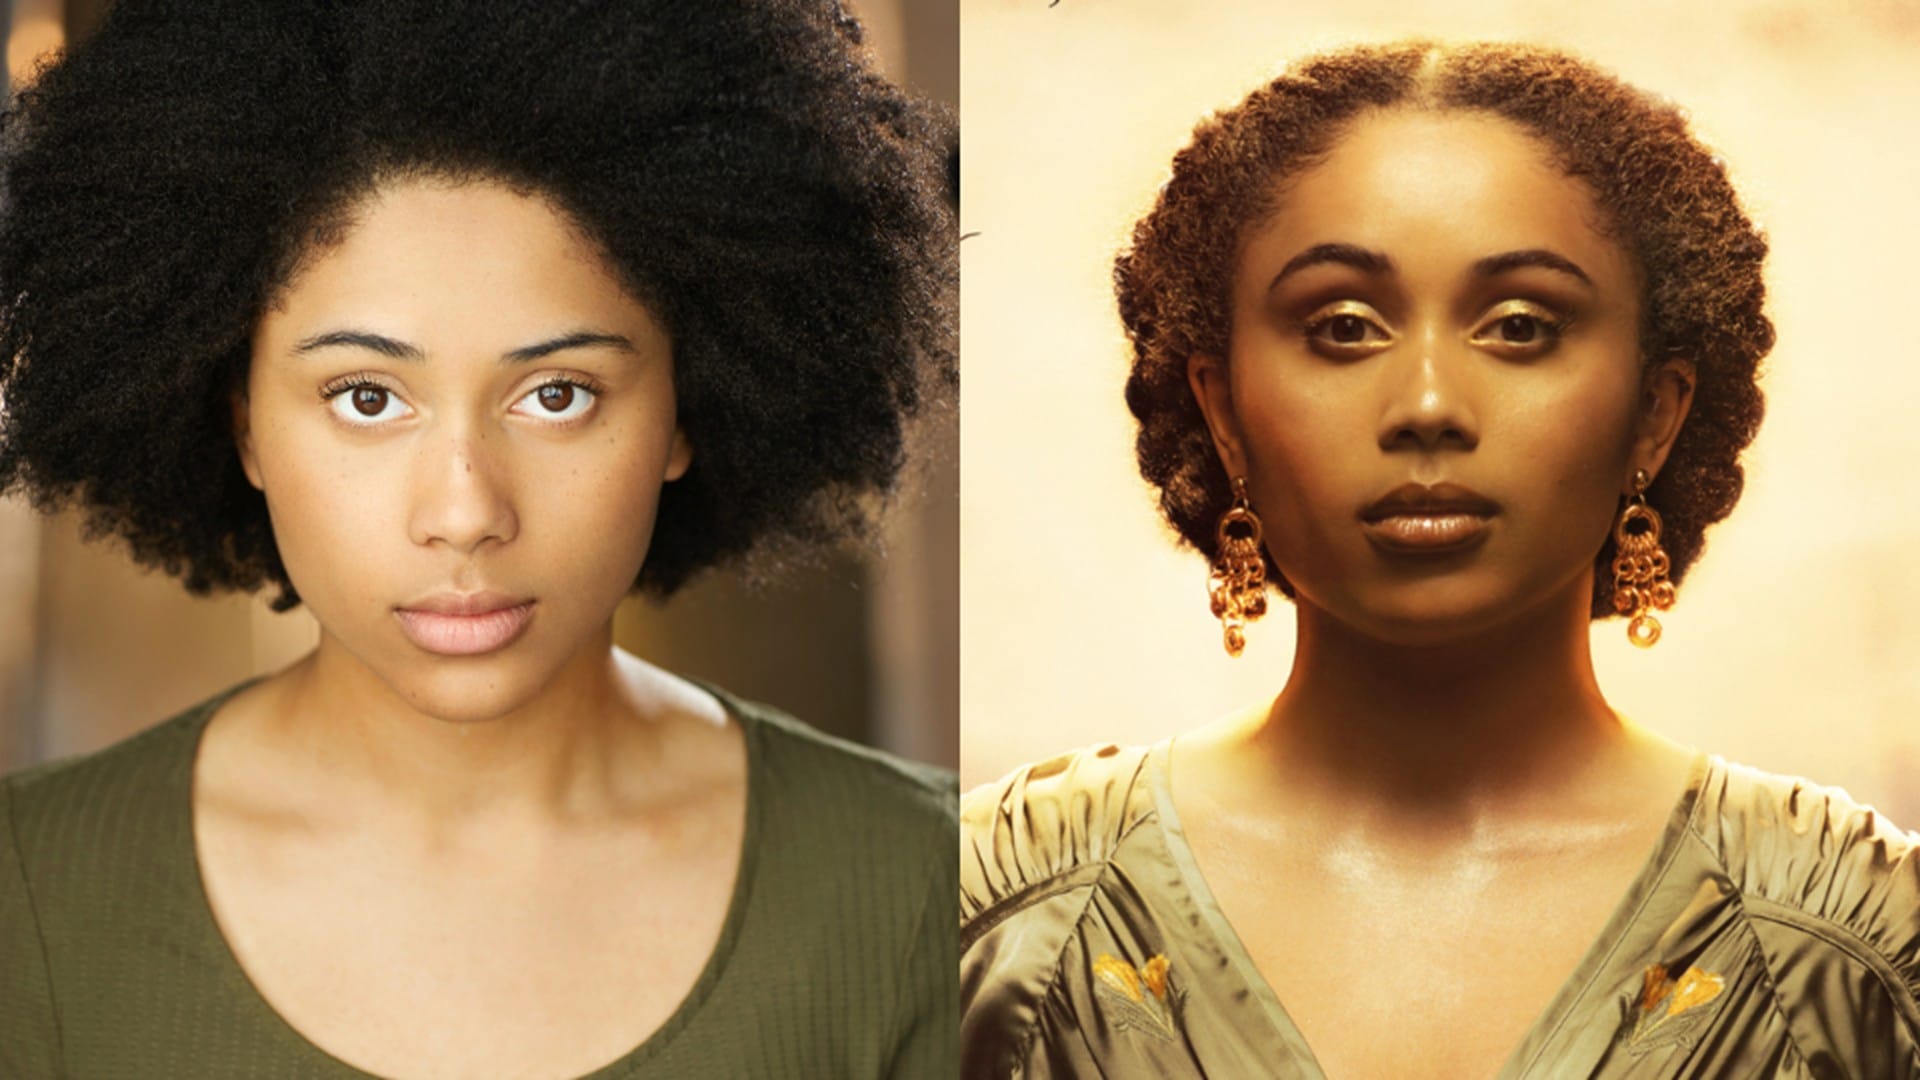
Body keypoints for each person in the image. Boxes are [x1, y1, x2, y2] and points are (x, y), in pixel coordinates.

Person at [0, 2, 956, 1077]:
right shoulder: (31, 897)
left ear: (686, 410)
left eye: (557, 394)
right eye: (367, 398)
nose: (464, 512)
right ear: (244, 423)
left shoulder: (928, 889)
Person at [959, 41, 1919, 1078]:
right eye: (1342, 327)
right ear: (1223, 409)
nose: (1426, 405)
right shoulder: (994, 925)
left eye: (1520, 327)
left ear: (1655, 412)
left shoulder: (1856, 947)